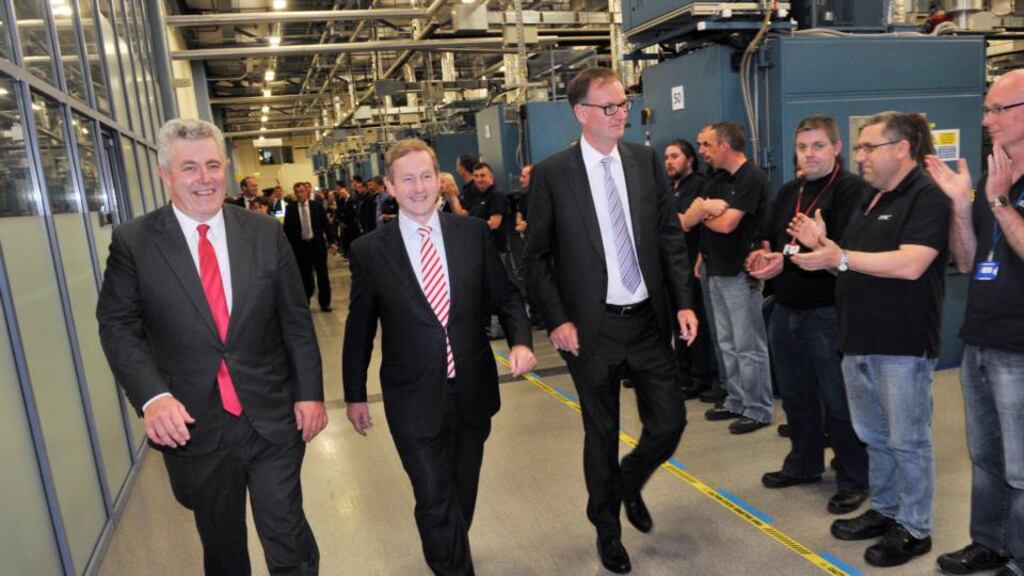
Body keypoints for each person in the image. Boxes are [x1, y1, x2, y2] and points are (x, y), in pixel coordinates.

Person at [96, 118, 326, 575]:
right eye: (189, 168)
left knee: (286, 529)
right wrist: (153, 397)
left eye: (213, 165)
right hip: (194, 422)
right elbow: (117, 326)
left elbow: (295, 322)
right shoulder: (134, 242)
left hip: (270, 414)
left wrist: (310, 393)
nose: (204, 178)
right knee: (222, 544)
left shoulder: (263, 233)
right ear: (165, 175)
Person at [523, 67, 697, 575]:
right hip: (591, 328)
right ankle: (607, 530)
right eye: (610, 107)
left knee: (670, 422)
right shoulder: (554, 174)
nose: (622, 113)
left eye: (624, 103)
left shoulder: (645, 161)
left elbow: (669, 237)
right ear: (581, 113)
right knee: (600, 433)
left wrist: (683, 302)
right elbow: (535, 258)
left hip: (647, 321)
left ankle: (628, 481)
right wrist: (557, 319)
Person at [343, 139, 536, 576]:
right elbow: (359, 331)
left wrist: (521, 342)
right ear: (390, 186)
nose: (418, 187)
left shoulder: (472, 234)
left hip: (471, 390)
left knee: (460, 493)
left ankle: (447, 551)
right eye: (407, 179)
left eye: (426, 176)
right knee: (433, 495)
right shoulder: (370, 251)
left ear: (439, 180)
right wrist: (354, 395)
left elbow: (506, 296)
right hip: (411, 397)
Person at [790, 111, 949, 568]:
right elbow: (853, 262)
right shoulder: (870, 197)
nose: (859, 156)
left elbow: (911, 264)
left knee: (907, 440)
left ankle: (914, 528)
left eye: (868, 147)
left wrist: (839, 256)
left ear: (901, 148)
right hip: (858, 339)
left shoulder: (926, 197)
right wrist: (826, 247)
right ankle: (885, 509)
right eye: (859, 147)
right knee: (874, 436)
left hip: (901, 343)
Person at [924, 69, 1024, 576]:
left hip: (1019, 348)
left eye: (997, 110)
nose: (986, 120)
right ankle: (989, 542)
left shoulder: (1001, 188)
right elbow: (966, 262)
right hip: (980, 340)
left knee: (1022, 466)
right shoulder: (991, 180)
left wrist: (1001, 201)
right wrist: (962, 206)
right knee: (986, 456)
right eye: (986, 110)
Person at [745, 115, 870, 515]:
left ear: (837, 148)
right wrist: (767, 258)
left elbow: (846, 252)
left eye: (818, 146)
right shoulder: (790, 191)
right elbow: (775, 241)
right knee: (796, 398)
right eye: (802, 147)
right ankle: (803, 463)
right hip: (786, 309)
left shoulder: (851, 191)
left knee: (839, 402)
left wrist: (816, 243)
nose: (809, 154)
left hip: (828, 312)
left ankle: (854, 478)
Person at [695, 122, 773, 434]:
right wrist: (706, 214)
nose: (703, 151)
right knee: (726, 342)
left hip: (740, 271)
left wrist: (705, 214)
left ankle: (758, 408)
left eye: (708, 145)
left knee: (747, 344)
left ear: (725, 146)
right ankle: (737, 399)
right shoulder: (716, 179)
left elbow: (727, 224)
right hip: (715, 268)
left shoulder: (752, 177)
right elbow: (695, 216)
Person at [665, 139, 715, 399]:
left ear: (690, 159)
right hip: (671, 265)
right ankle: (681, 374)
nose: (669, 161)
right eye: (667, 157)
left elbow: (685, 222)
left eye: (675, 156)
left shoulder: (699, 184)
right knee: (677, 324)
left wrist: (672, 218)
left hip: (691, 262)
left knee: (696, 321)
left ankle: (700, 376)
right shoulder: (669, 187)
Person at [284, 181, 338, 311]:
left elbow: (326, 225)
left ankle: (325, 303)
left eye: (302, 191)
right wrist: (288, 248)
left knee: (322, 275)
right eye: (297, 192)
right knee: (305, 276)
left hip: (317, 246)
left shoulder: (316, 206)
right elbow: (287, 230)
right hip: (300, 248)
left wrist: (332, 242)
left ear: (307, 192)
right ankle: (306, 302)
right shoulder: (291, 209)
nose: (299, 194)